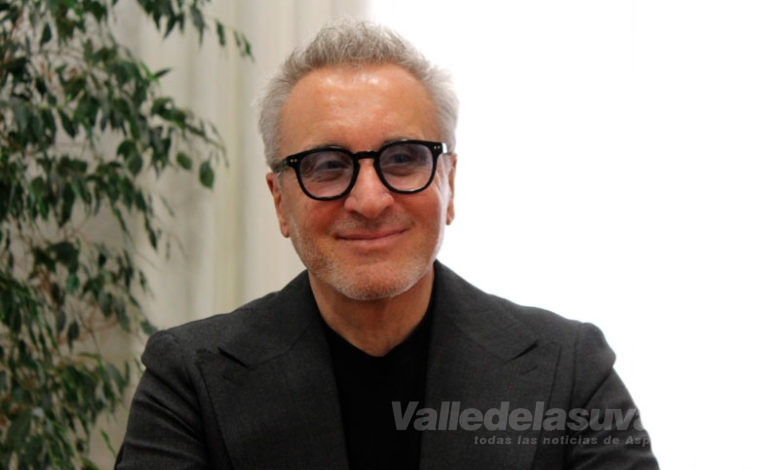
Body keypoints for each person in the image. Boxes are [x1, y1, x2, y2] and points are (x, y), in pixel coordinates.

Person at [115, 20, 659, 470]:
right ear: (280, 202)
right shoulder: (190, 380)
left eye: (402, 159)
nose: (370, 200)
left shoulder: (571, 368)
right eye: (328, 166)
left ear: (448, 184)